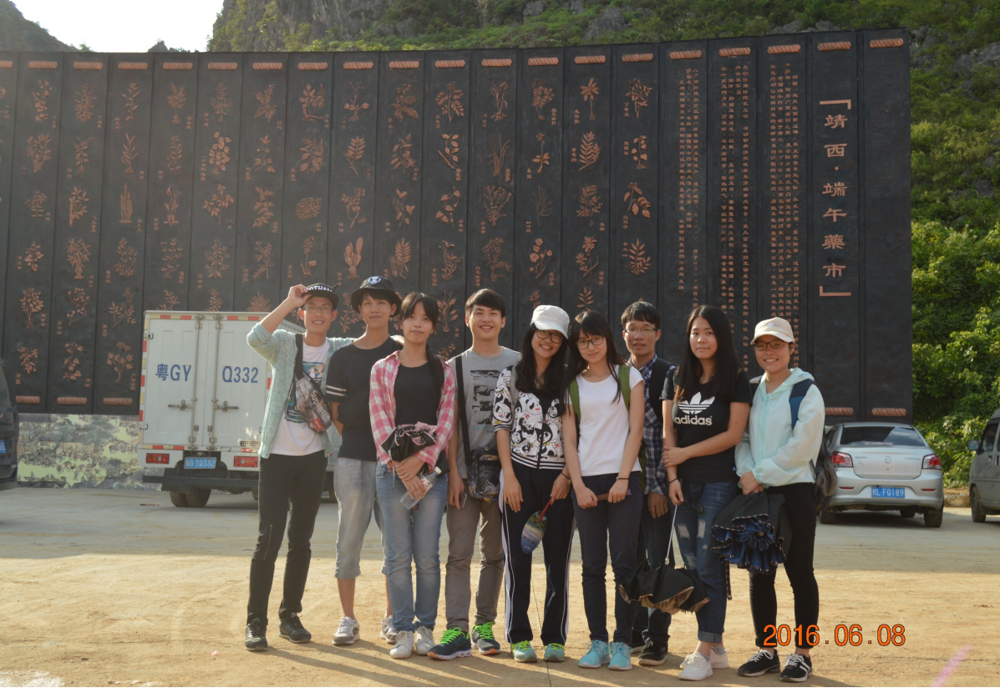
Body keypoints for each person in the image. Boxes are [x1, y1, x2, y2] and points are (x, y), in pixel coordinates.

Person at [243, 284, 352, 652]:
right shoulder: (286, 344)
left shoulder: (339, 349)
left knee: (301, 541)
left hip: (313, 458)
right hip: (276, 456)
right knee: (269, 538)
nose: (318, 313)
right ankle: (255, 621)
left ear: (334, 316)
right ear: (302, 314)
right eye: (311, 307)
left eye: (325, 308)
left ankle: (289, 616)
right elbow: (255, 338)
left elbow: (376, 346)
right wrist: (288, 302)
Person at [429, 289, 520, 660]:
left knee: (495, 555)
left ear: (503, 321)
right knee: (459, 554)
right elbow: (449, 423)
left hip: (505, 476)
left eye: (493, 313)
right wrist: (453, 472)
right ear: (467, 319)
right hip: (464, 476)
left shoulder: (518, 363)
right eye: (479, 312)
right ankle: (456, 629)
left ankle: (484, 626)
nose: (486, 319)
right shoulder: (453, 366)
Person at [661, 305, 751, 681]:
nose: (701, 339)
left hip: (717, 484)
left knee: (710, 564)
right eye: (695, 332)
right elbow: (668, 431)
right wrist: (672, 476)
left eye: (709, 332)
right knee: (694, 566)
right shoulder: (676, 376)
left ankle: (702, 649)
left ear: (721, 337)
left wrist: (686, 454)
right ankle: (717, 648)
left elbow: (733, 435)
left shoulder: (736, 379)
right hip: (682, 485)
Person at [735, 317, 824, 683]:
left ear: (791, 348)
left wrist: (760, 473)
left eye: (776, 344)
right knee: (760, 574)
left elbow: (802, 446)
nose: (768, 351)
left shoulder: (806, 390)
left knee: (800, 573)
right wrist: (747, 474)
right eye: (762, 345)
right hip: (757, 493)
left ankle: (802, 654)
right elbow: (741, 438)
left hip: (794, 492)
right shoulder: (751, 390)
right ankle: (767, 649)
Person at [370, 293, 457, 660]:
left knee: (427, 556)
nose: (417, 323)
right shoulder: (382, 368)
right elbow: (379, 420)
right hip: (392, 473)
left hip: (431, 475)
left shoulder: (444, 370)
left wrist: (421, 460)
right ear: (401, 322)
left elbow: (447, 420)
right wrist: (401, 466)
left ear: (433, 327)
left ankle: (425, 629)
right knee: (397, 555)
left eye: (425, 318)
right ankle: (403, 629)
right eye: (411, 317)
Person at [563, 310, 645, 672]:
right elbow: (569, 439)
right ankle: (597, 642)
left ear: (608, 339)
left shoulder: (628, 376)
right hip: (586, 483)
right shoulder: (572, 384)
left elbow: (636, 430)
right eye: (583, 341)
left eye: (596, 339)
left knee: (624, 565)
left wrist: (623, 479)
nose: (590, 346)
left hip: (625, 479)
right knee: (592, 567)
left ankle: (623, 642)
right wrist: (578, 484)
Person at [493, 305, 574, 664]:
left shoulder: (571, 380)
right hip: (519, 476)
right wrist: (509, 477)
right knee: (518, 559)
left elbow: (579, 432)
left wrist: (567, 476)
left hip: (560, 479)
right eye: (543, 332)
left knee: (558, 561)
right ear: (531, 333)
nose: (548, 340)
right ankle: (519, 636)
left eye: (556, 335)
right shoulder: (510, 376)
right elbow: (502, 427)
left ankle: (555, 638)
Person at [324, 276, 401, 647]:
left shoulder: (402, 352)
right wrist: (359, 439)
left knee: (395, 543)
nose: (374, 308)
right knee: (348, 540)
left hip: (395, 462)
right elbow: (336, 413)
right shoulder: (343, 357)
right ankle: (348, 618)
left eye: (381, 302)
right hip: (353, 458)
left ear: (392, 309)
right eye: (367, 302)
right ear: (359, 310)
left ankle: (392, 617)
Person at [620, 301, 676, 666]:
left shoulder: (668, 375)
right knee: (630, 561)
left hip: (655, 488)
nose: (638, 335)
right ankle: (636, 631)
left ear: (657, 334)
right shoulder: (615, 374)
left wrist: (657, 487)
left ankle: (657, 638)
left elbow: (664, 437)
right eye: (632, 329)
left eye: (645, 328)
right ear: (623, 334)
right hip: (624, 489)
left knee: (659, 562)